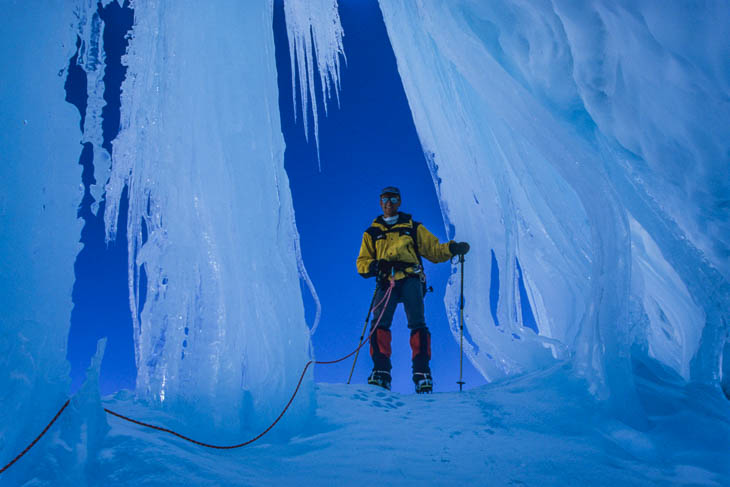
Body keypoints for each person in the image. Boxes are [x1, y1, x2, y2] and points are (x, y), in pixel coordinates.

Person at [356, 186, 470, 393]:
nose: (388, 203)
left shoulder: (413, 227)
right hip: (386, 279)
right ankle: (381, 371)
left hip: (411, 278)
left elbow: (434, 250)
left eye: (392, 198)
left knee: (417, 323)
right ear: (380, 202)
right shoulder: (372, 233)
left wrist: (452, 248)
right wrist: (374, 266)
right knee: (379, 323)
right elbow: (362, 262)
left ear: (399, 202)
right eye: (384, 199)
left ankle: (421, 372)